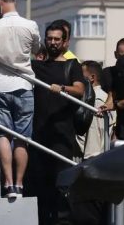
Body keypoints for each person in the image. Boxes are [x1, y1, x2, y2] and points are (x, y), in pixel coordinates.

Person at [0, 0, 41, 200]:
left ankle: (7, 183)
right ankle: (20, 183)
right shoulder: (30, 25)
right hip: (25, 85)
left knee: (3, 136)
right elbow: (36, 50)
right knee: (22, 138)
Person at [27, 21, 85, 225]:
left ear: (65, 42)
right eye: (49, 39)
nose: (52, 43)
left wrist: (62, 88)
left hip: (62, 134)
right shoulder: (36, 66)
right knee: (41, 186)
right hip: (39, 134)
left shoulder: (71, 65)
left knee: (62, 184)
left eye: (57, 39)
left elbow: (79, 89)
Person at [78, 60, 115, 158]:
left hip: (91, 159)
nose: (77, 78)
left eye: (80, 74)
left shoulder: (97, 100)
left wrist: (90, 159)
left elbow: (95, 137)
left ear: (92, 77)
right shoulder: (100, 98)